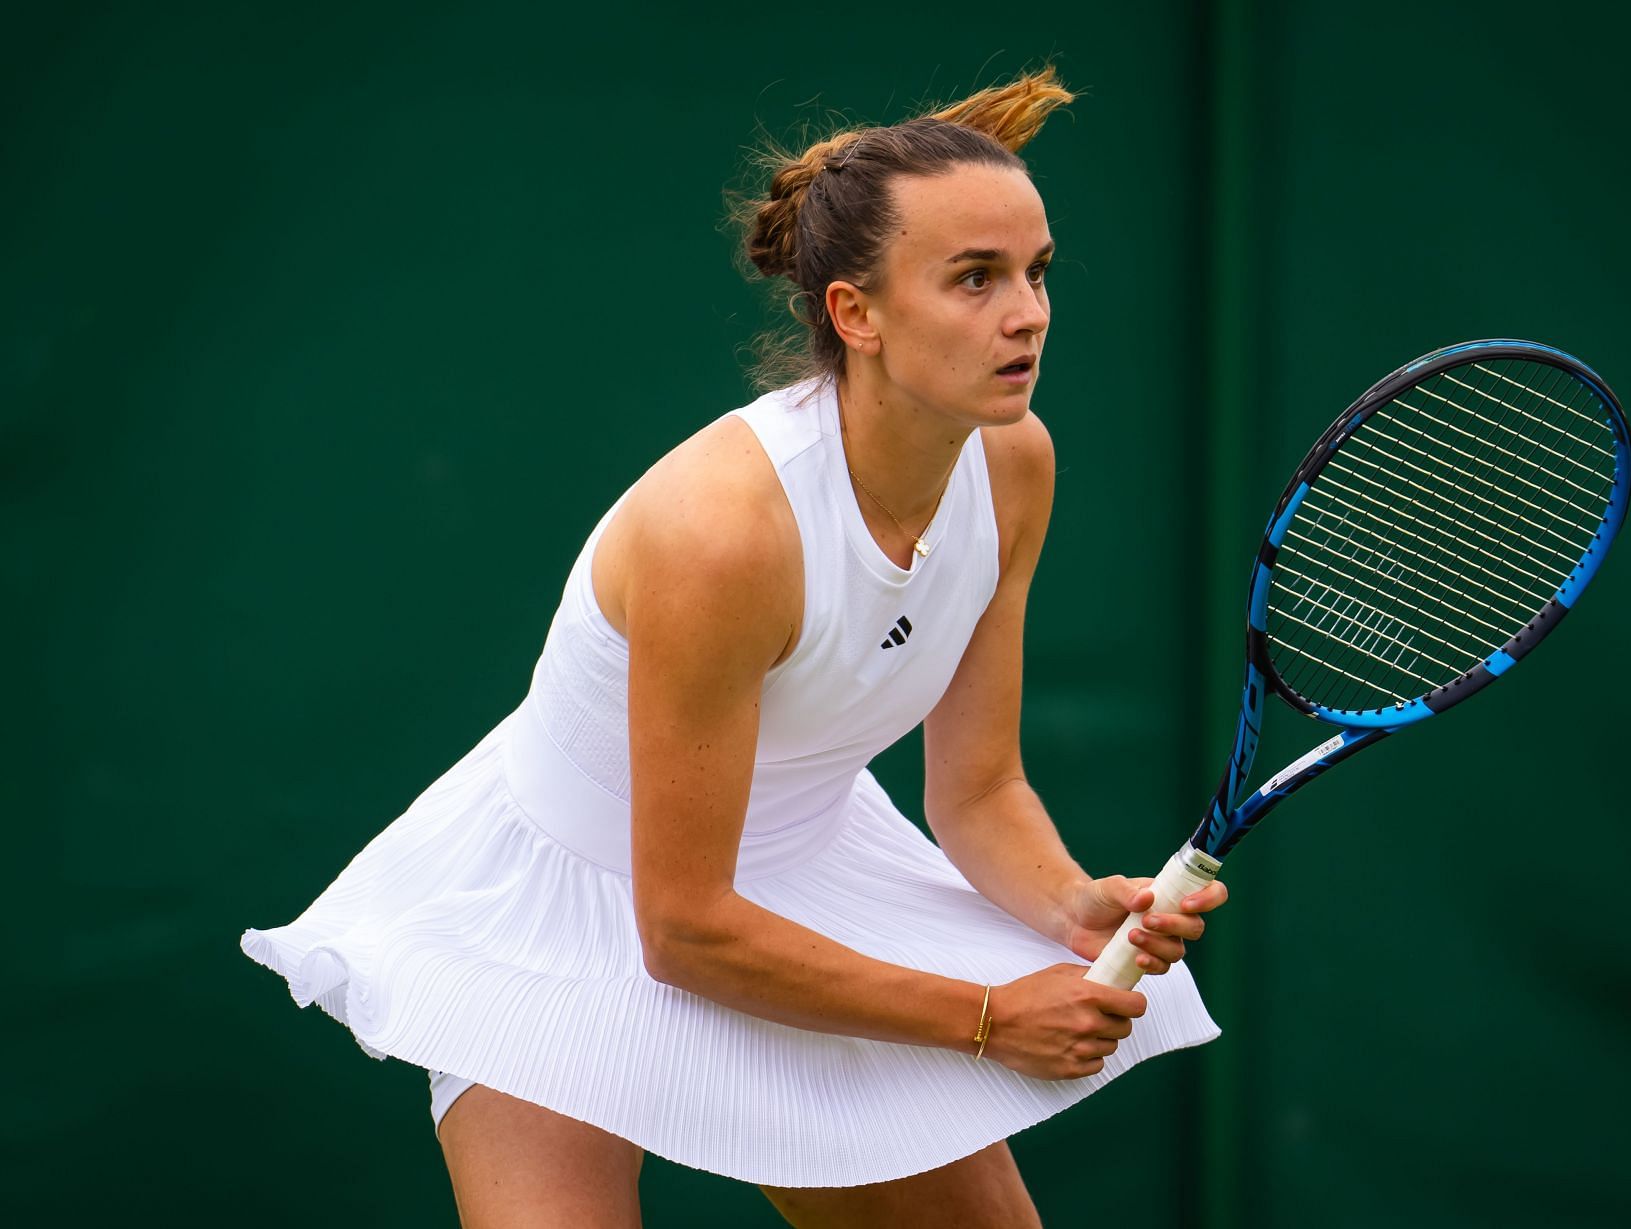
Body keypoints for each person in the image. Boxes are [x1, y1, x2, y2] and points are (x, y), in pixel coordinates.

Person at [240, 66, 1226, 1227]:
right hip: (573, 912)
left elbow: (979, 789)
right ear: (856, 313)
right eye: (975, 278)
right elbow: (687, 926)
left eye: (1035, 270)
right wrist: (984, 1012)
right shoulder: (722, 533)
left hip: (804, 869)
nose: (1028, 313)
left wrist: (1066, 908)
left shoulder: (1012, 464)